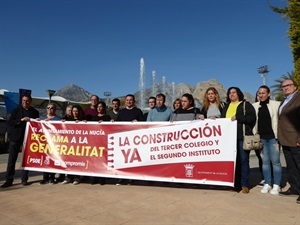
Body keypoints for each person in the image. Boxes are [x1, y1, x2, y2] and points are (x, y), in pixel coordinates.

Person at [221, 87, 256, 194]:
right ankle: (235, 184)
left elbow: (251, 119)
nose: (231, 94)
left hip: (242, 137)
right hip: (229, 138)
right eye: (229, 93)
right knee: (233, 161)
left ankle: (244, 184)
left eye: (233, 92)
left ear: (238, 94)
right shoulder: (226, 106)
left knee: (244, 160)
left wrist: (238, 117)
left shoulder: (246, 105)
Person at [1, 94, 40, 188]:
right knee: (11, 161)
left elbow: (38, 126)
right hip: (16, 138)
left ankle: (24, 179)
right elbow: (10, 122)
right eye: (23, 101)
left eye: (27, 101)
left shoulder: (35, 112)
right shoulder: (16, 110)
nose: (25, 102)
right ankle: (9, 180)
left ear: (30, 101)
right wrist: (21, 120)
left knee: (26, 160)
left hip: (28, 139)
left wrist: (38, 121)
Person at [253, 85, 282, 195]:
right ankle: (268, 183)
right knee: (265, 162)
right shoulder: (254, 106)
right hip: (261, 138)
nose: (261, 95)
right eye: (259, 93)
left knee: (276, 162)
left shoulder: (277, 104)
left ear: (269, 94)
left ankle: (277, 184)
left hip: (274, 138)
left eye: (263, 93)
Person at [277, 79, 300, 204]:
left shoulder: (298, 98)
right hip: (285, 140)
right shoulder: (284, 101)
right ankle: (295, 188)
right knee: (291, 167)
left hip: (296, 140)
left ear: (295, 86)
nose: (285, 88)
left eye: (288, 85)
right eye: (283, 86)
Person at [116, 94, 143, 185]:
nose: (129, 101)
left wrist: (138, 123)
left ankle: (131, 177)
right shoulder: (121, 112)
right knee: (122, 159)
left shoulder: (138, 111)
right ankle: (121, 178)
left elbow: (143, 124)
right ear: (125, 101)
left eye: (131, 100)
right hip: (123, 139)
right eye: (127, 100)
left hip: (134, 139)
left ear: (134, 101)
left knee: (132, 159)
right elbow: (116, 124)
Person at [61, 105, 85, 185]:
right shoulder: (67, 119)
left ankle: (76, 177)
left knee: (77, 161)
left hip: (78, 144)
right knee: (69, 160)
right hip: (69, 144)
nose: (75, 112)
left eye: (76, 111)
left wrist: (83, 123)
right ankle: (68, 177)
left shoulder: (82, 120)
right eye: (73, 111)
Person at [89, 101, 111, 185]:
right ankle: (94, 177)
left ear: (104, 108)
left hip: (103, 142)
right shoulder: (93, 118)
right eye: (98, 106)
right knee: (95, 160)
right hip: (95, 142)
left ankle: (102, 178)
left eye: (101, 106)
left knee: (102, 161)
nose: (99, 108)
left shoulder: (107, 117)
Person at [39, 103, 61, 185]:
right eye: (48, 108)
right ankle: (45, 177)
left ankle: (52, 177)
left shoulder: (58, 119)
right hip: (44, 142)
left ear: (55, 110)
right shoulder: (42, 118)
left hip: (54, 143)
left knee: (52, 159)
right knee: (44, 159)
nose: (49, 109)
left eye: (52, 108)